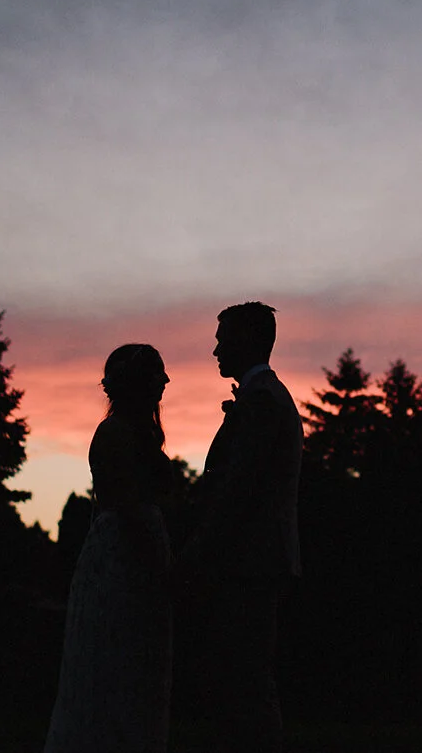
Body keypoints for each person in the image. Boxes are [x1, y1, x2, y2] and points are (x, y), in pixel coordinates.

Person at [175, 302, 302, 753]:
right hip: (251, 560)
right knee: (240, 678)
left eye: (222, 339)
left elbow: (239, 490)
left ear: (248, 340)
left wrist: (198, 552)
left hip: (250, 562)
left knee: (243, 680)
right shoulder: (263, 397)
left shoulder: (262, 401)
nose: (215, 350)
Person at [44, 344, 174, 753]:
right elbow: (127, 505)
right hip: (122, 559)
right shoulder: (117, 433)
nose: (165, 381)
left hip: (131, 550)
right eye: (156, 374)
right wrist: (159, 564)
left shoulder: (136, 432)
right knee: (113, 664)